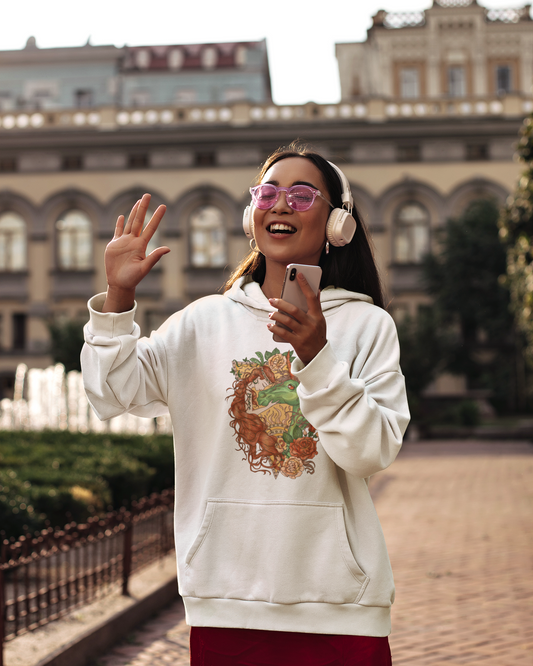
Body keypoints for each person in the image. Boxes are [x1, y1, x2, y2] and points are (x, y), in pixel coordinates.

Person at [81, 142, 410, 665]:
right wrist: (118, 303)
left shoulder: (367, 326)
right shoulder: (202, 321)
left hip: (340, 605)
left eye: (302, 195)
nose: (281, 204)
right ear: (250, 214)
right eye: (268, 192)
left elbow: (370, 452)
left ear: (337, 222)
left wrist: (316, 357)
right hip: (224, 601)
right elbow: (111, 392)